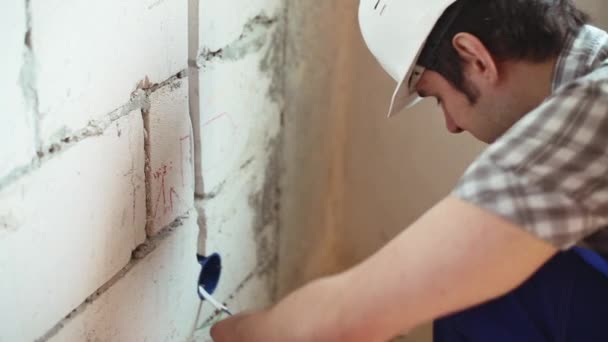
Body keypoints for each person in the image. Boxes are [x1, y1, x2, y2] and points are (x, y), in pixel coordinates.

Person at [211, 0, 608, 340]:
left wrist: (245, 331)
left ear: (474, 58)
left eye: (436, 98)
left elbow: (341, 321)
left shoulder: (590, 114)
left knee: (467, 289)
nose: (452, 125)